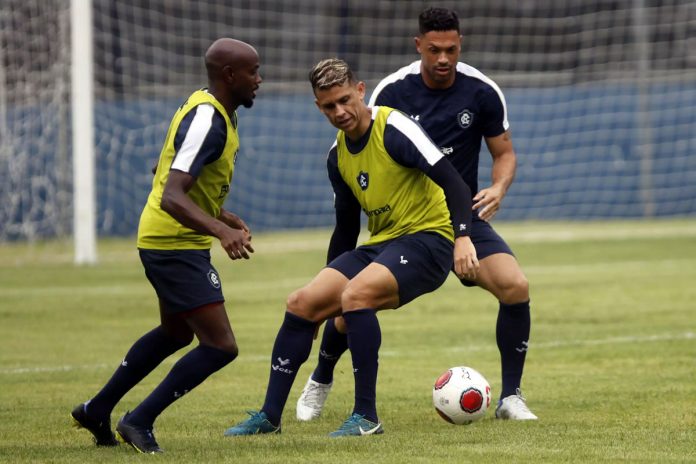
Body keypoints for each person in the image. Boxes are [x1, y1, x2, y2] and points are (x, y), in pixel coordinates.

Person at [297, 7, 537, 422]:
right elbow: (365, 151)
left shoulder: (481, 91)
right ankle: (320, 378)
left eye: (451, 50)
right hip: (405, 227)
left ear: (460, 45)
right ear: (418, 46)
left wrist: (498, 188)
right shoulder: (392, 92)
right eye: (434, 50)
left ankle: (511, 398)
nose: (443, 59)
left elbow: (504, 153)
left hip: (462, 219)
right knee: (352, 305)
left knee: (515, 286)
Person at [223, 58, 477, 437]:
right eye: (328, 106)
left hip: (430, 241)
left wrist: (463, 237)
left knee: (355, 295)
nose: (339, 112)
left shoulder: (394, 128)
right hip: (383, 243)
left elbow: (454, 183)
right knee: (301, 303)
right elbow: (345, 230)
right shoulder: (337, 155)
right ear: (317, 107)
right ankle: (269, 417)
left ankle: (366, 417)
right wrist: (323, 298)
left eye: (345, 100)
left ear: (360, 91)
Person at [70, 38, 262, 453]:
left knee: (176, 333)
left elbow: (164, 166)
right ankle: (138, 419)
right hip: (173, 243)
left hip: (169, 239)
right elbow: (171, 194)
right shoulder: (209, 120)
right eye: (253, 72)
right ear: (230, 76)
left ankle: (96, 409)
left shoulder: (207, 106)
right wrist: (220, 231)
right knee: (220, 346)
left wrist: (221, 213)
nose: (258, 80)